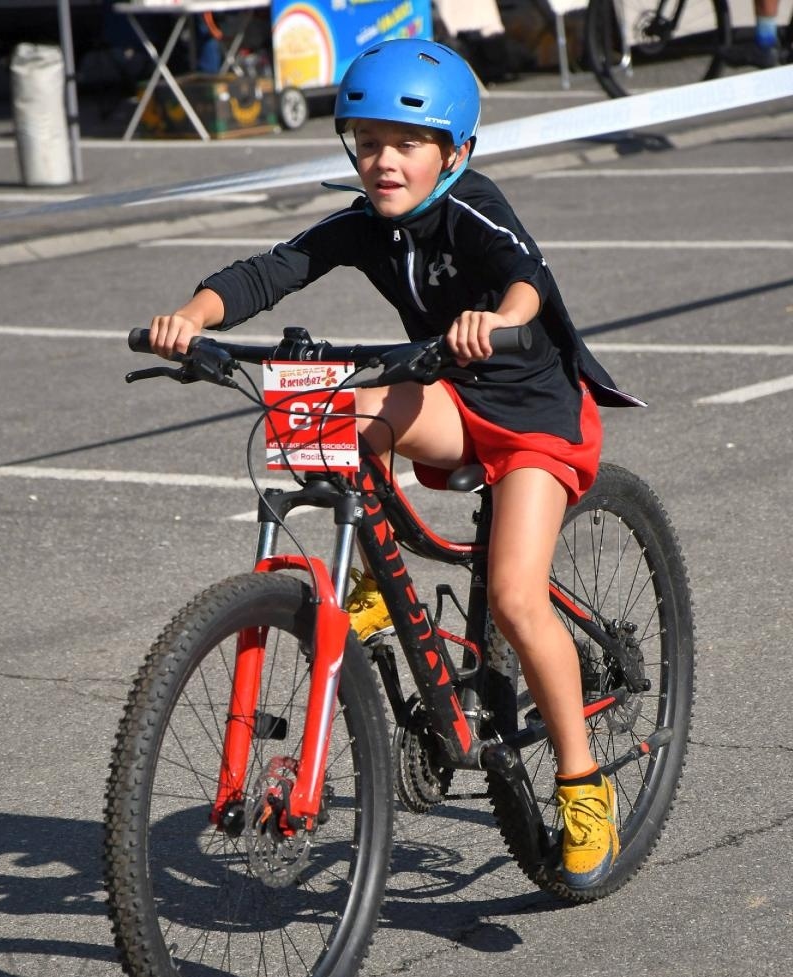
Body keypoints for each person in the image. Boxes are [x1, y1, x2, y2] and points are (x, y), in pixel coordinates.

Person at [147, 38, 644, 891]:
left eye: (408, 144)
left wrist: (501, 318)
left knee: (520, 598)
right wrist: (194, 314)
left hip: (534, 420)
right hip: (450, 398)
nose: (385, 161)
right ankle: (370, 581)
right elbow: (273, 270)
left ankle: (580, 780)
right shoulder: (364, 223)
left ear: (455, 153)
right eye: (368, 141)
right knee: (337, 409)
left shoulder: (473, 207)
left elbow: (525, 276)